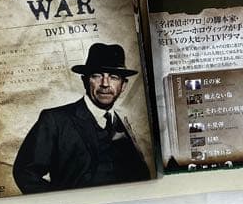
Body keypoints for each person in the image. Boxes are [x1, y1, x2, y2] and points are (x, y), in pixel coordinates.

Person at [13, 43, 150, 192]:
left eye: (113, 77)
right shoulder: (55, 120)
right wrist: (62, 202)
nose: (105, 84)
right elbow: (25, 173)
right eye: (97, 76)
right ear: (85, 81)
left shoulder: (123, 123)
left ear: (123, 86)